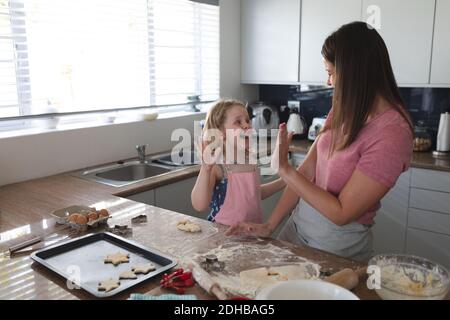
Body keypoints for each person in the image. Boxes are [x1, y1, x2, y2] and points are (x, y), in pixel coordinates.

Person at [226, 21, 413, 262]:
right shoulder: (346, 107)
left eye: (331, 73)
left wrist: (284, 169)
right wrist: (270, 225)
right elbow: (307, 171)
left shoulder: (393, 133)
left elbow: (341, 212)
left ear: (353, 72)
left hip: (336, 244)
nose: (329, 83)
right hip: (297, 225)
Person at [191, 99, 286, 226]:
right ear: (220, 132)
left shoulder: (250, 162)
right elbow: (199, 205)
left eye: (247, 120)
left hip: (252, 235)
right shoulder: (218, 167)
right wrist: (205, 169)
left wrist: (284, 181)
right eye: (238, 122)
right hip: (223, 237)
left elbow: (254, 195)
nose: (247, 125)